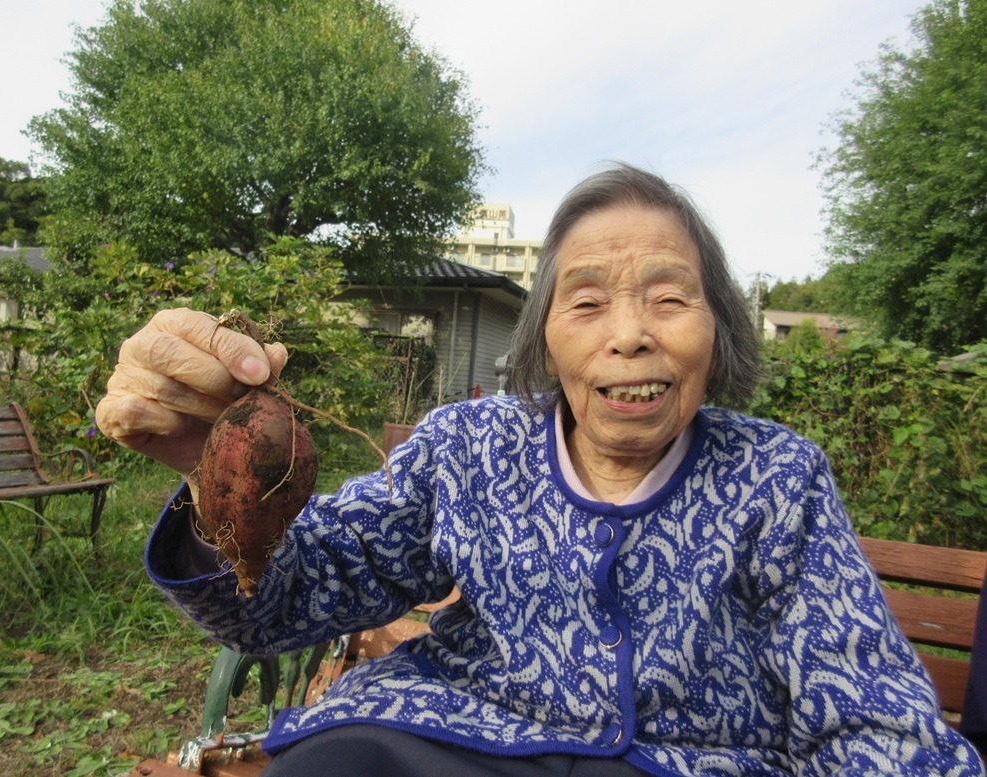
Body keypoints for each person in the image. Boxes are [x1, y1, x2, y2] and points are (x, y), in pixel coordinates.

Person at [96, 163, 984, 776]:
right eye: (587, 301)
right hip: (434, 745)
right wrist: (215, 487)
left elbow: (871, 712)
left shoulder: (777, 477)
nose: (629, 334)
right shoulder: (468, 446)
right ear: (546, 338)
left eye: (669, 297)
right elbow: (284, 603)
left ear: (718, 329)